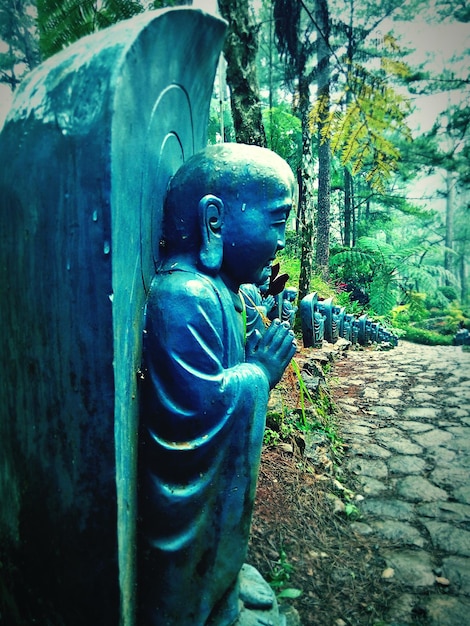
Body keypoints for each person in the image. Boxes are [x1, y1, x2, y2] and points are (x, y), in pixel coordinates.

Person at [138, 143, 297, 625]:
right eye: (277, 221)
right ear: (214, 221)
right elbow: (198, 414)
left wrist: (249, 358)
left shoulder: (222, 292)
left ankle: (223, 588)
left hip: (214, 505)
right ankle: (202, 606)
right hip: (182, 506)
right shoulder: (182, 297)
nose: (283, 239)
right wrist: (260, 375)